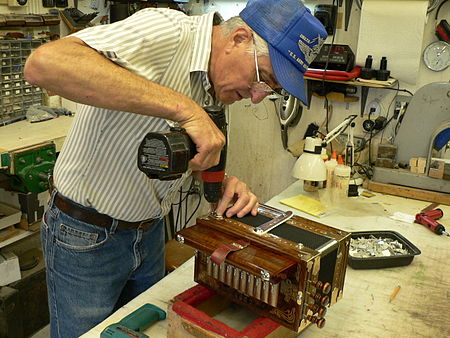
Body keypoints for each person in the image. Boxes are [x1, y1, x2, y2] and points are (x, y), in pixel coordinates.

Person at [24, 0, 327, 336]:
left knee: (147, 331)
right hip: (85, 235)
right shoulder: (167, 30)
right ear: (239, 38)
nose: (257, 96)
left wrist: (218, 180)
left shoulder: (218, 82)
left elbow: (180, 151)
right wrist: (185, 109)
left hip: (149, 231)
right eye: (264, 78)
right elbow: (44, 65)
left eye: (271, 90)